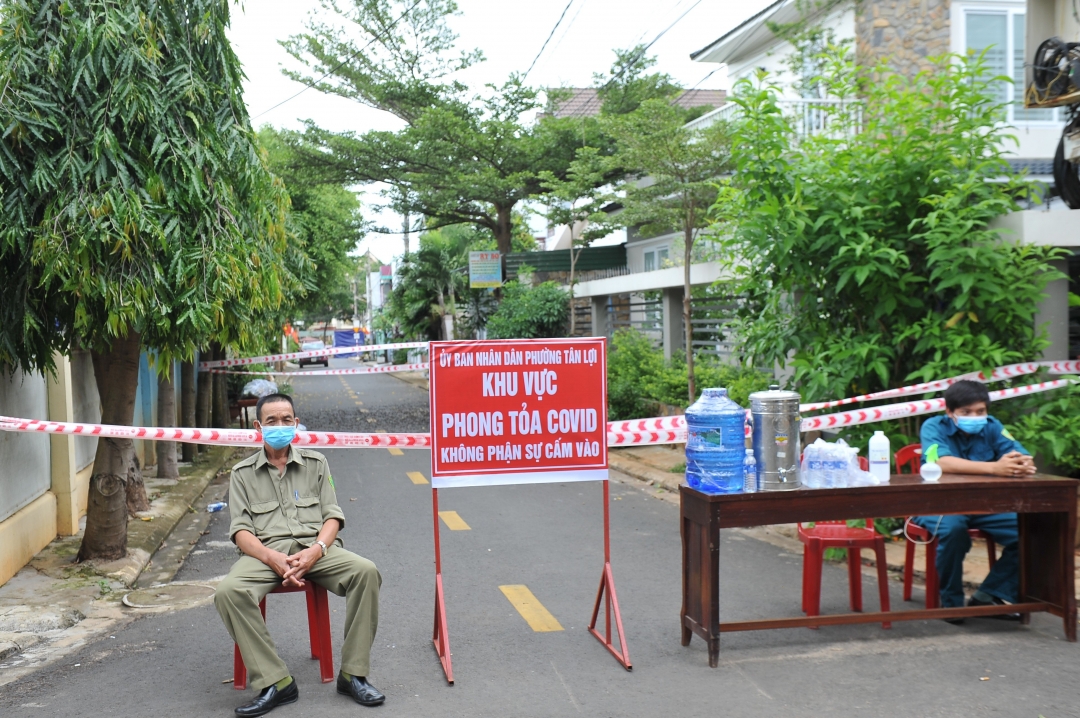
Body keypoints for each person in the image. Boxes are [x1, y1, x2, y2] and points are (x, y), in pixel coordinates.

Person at [215, 393, 385, 716]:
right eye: (271, 421)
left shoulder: (316, 464)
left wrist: (316, 551)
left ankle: (354, 674)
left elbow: (332, 517)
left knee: (366, 572)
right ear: (258, 427)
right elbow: (241, 532)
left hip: (316, 550)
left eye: (285, 420)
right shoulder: (242, 473)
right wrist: (271, 558)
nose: (279, 426)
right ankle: (275, 682)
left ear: (295, 423)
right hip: (265, 555)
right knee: (228, 592)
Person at [913, 380, 1035, 622]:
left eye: (980, 411)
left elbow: (1018, 451)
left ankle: (987, 595)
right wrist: (994, 468)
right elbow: (939, 462)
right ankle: (951, 603)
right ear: (950, 412)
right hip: (939, 504)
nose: (975, 417)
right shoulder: (933, 426)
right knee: (954, 531)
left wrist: (1023, 462)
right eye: (966, 412)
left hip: (985, 505)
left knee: (1033, 533)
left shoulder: (992, 426)